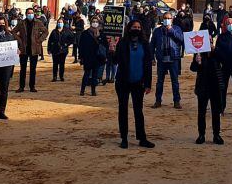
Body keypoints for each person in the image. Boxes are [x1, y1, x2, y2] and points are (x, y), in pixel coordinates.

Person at [114, 20, 154, 149]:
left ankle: (142, 138)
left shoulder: (145, 44)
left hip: (139, 82)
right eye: (134, 27)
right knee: (123, 109)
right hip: (123, 82)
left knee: (138, 111)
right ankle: (124, 138)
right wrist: (111, 50)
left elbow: (148, 65)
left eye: (138, 27)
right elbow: (115, 60)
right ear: (129, 28)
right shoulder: (123, 42)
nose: (136, 29)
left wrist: (148, 84)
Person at [150, 12, 184, 109]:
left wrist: (171, 30)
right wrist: (152, 57)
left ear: (172, 19)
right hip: (161, 59)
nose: (167, 20)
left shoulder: (177, 28)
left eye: (169, 18)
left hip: (173, 59)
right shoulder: (157, 31)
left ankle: (176, 101)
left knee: (175, 81)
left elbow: (182, 40)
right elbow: (152, 45)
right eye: (165, 18)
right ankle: (158, 101)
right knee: (159, 81)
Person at [192, 46, 225, 145]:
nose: (209, 43)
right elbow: (193, 68)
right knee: (201, 112)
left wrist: (215, 51)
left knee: (216, 112)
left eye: (211, 41)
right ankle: (201, 134)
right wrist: (197, 61)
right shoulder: (199, 53)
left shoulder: (216, 52)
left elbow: (224, 60)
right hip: (202, 86)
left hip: (215, 86)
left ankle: (216, 135)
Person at [13, 9, 47, 93]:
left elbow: (45, 31)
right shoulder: (21, 23)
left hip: (34, 49)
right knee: (23, 69)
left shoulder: (38, 22)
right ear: (26, 14)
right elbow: (13, 31)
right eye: (28, 13)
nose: (30, 14)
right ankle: (21, 87)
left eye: (31, 13)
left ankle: (32, 86)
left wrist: (39, 40)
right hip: (24, 49)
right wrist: (19, 40)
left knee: (33, 69)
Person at [78, 21, 105, 96]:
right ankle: (82, 90)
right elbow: (81, 46)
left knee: (95, 75)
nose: (95, 23)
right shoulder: (85, 33)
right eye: (94, 21)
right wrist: (80, 56)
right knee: (86, 74)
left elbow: (104, 45)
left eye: (96, 22)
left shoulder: (101, 34)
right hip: (87, 57)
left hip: (97, 57)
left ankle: (93, 90)